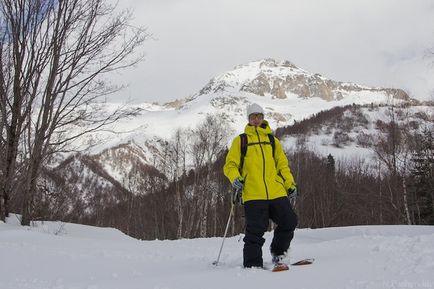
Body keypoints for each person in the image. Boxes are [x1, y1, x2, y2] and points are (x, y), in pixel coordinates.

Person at [223, 103, 298, 268]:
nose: (257, 119)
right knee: (255, 231)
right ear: (248, 119)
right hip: (253, 192)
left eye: (259, 116)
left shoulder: (272, 141)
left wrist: (290, 184)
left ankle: (279, 254)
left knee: (289, 221)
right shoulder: (241, 140)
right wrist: (235, 178)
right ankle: (252, 264)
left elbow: (282, 165)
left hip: (276, 190)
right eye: (253, 117)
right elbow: (230, 165)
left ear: (263, 118)